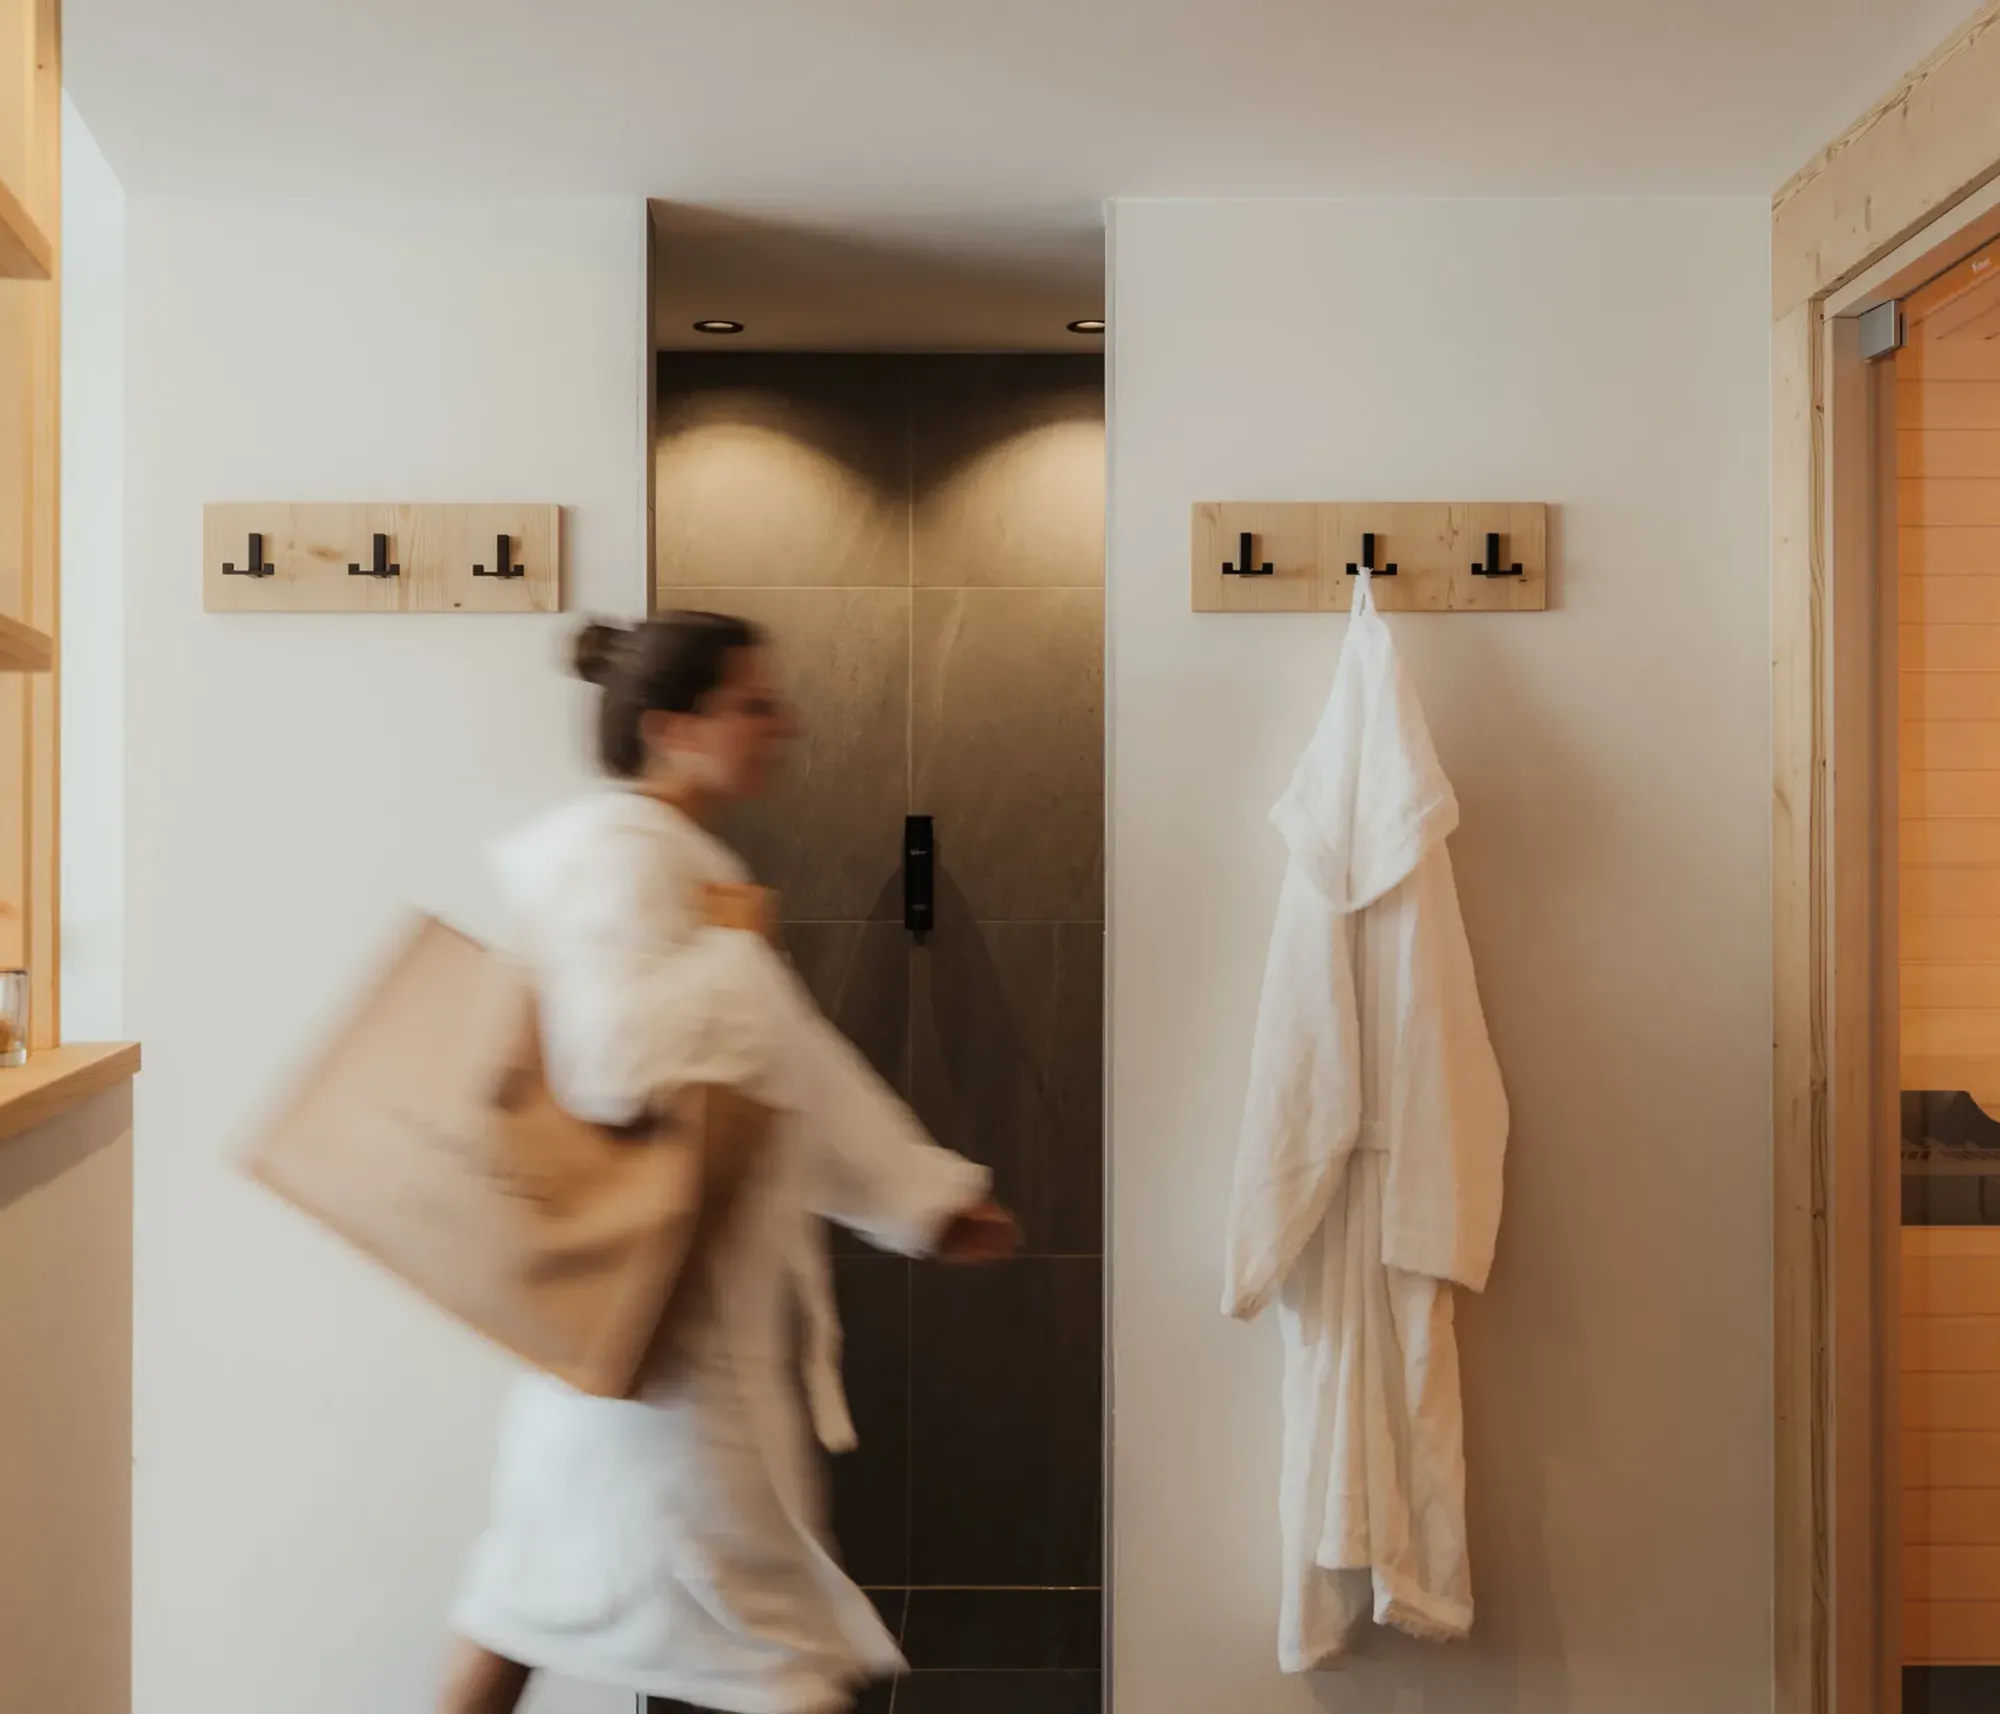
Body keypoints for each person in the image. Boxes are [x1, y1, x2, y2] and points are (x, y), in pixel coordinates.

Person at [442, 611, 1019, 1714]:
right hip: (668, 1333)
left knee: (521, 1602)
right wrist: (736, 952)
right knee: (777, 1648)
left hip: (636, 1318)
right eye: (754, 703)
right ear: (672, 726)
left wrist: (925, 1201)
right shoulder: (623, 860)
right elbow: (617, 1061)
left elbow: (787, 1075)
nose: (784, 724)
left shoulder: (674, 865)